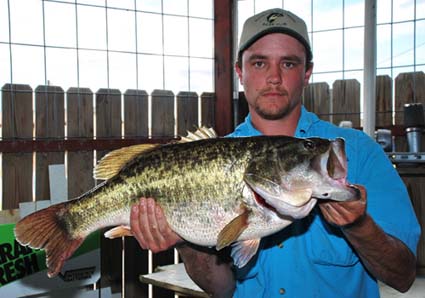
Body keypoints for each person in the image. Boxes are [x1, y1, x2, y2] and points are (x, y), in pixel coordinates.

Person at [129, 8, 421, 297]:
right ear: (240, 72)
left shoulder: (360, 152)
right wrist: (184, 240)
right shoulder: (211, 158)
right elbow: (223, 289)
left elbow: (404, 276)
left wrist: (359, 225)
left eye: (289, 64)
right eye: (259, 63)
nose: (274, 77)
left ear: (307, 72)